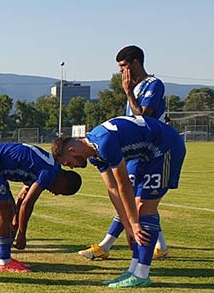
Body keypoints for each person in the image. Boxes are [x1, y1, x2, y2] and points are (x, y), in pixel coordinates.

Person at [52, 115, 185, 288]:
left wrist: (134, 224)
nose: (71, 167)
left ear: (72, 150)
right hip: (146, 154)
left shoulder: (104, 143)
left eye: (68, 163)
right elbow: (112, 189)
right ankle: (133, 270)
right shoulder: (95, 155)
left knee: (145, 208)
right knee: (137, 209)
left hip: (165, 147)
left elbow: (123, 184)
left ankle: (142, 274)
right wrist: (128, 225)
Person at [78, 45, 170, 261]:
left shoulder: (153, 84)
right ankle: (161, 246)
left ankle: (105, 246)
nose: (121, 72)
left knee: (132, 199)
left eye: (123, 67)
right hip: (136, 151)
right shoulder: (137, 89)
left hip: (150, 150)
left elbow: (143, 118)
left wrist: (128, 92)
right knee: (141, 200)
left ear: (135, 63)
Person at [0, 143, 82, 272]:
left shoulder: (51, 167)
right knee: (5, 213)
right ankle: (4, 262)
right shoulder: (49, 173)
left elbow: (21, 198)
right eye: (61, 191)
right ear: (63, 181)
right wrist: (22, 234)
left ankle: (6, 258)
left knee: (9, 210)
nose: (55, 193)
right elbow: (27, 204)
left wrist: (15, 223)